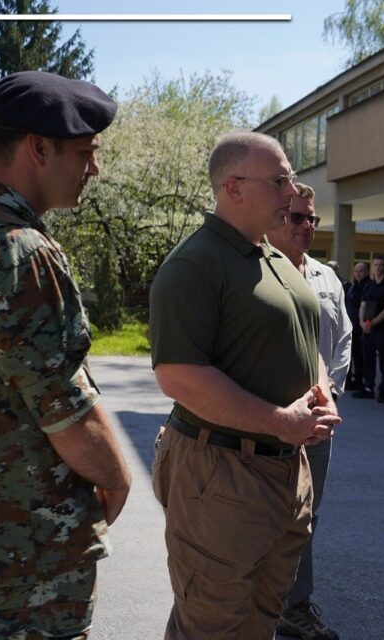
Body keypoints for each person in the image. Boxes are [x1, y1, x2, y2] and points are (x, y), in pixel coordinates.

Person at [0, 70, 132, 638]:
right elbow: (66, 413)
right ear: (39, 148)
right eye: (86, 152)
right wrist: (119, 479)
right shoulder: (18, 252)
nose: (93, 169)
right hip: (23, 567)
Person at [149, 131, 341, 638]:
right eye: (279, 181)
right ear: (233, 187)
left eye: (291, 180)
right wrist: (281, 421)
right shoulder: (195, 264)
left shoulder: (274, 259)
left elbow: (308, 341)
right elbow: (178, 376)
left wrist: (320, 392)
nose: (290, 192)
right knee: (210, 624)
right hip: (223, 472)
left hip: (283, 469)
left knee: (261, 618)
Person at [267, 183, 350, 640]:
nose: (306, 226)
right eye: (297, 217)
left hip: (319, 418)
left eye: (312, 219)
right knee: (259, 512)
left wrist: (331, 387)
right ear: (278, 217)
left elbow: (344, 338)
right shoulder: (256, 270)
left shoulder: (326, 277)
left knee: (306, 515)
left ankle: (294, 606)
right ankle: (257, 604)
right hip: (268, 417)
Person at [357, 256, 384, 401]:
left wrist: (372, 323)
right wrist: (362, 322)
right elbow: (363, 305)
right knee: (368, 359)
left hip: (382, 329)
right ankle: (368, 387)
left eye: (380, 265)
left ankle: (383, 390)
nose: (377, 267)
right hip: (367, 329)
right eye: (375, 265)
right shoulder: (368, 285)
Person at [345, 262, 369, 391]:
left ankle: (360, 381)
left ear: (366, 272)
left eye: (361, 271)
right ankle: (349, 380)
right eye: (356, 271)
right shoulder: (353, 286)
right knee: (351, 354)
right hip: (350, 325)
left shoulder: (367, 286)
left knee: (359, 356)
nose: (358, 273)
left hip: (360, 327)